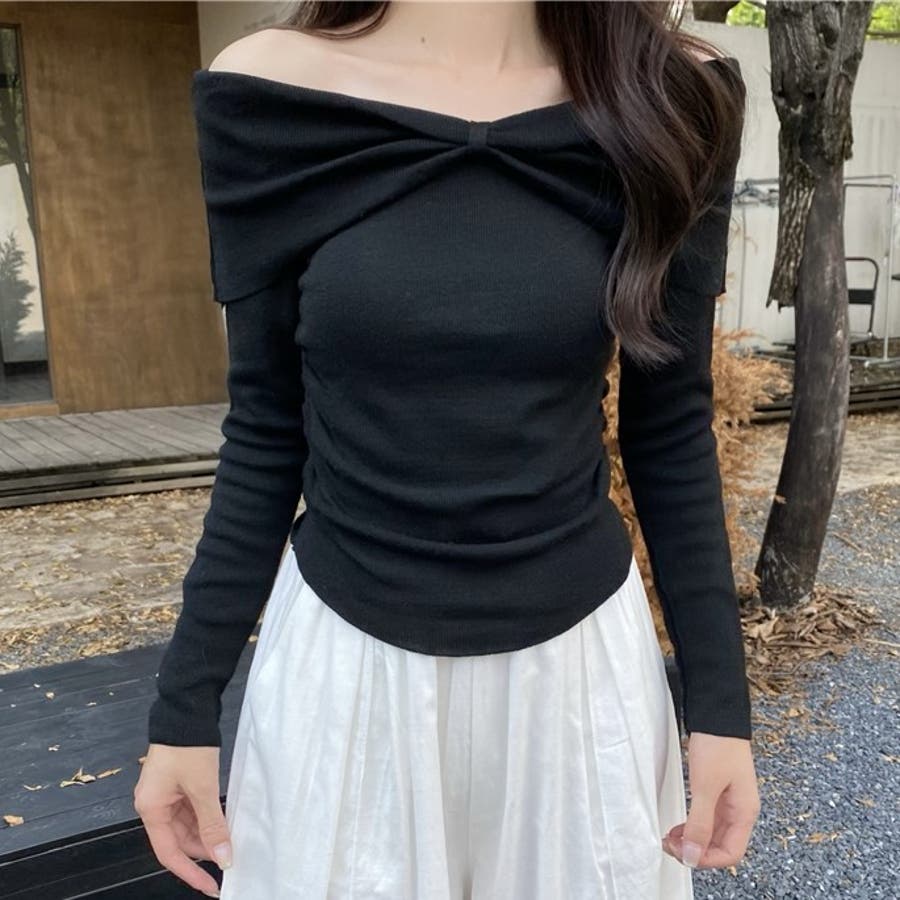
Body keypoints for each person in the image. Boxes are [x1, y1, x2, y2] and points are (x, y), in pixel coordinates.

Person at [133, 3, 761, 898]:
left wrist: (721, 713)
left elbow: (669, 430)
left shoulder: (668, 97)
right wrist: (183, 711)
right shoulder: (272, 93)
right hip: (344, 676)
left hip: (578, 679)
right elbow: (268, 426)